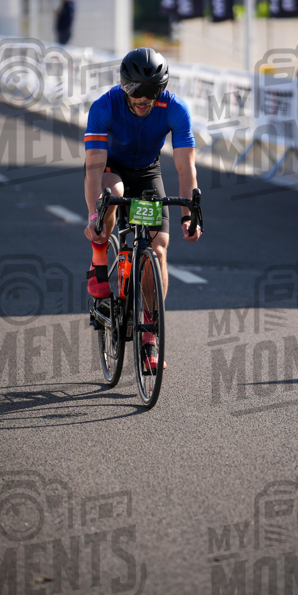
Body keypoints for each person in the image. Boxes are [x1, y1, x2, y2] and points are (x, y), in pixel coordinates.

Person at [83, 47, 202, 372]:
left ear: (161, 90)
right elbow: (93, 169)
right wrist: (95, 217)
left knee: (158, 249)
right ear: (123, 86)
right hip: (112, 169)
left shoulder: (175, 109)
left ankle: (149, 334)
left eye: (151, 91)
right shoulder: (105, 106)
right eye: (136, 90)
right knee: (113, 192)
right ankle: (98, 257)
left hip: (148, 172)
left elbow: (185, 169)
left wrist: (188, 215)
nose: (143, 98)